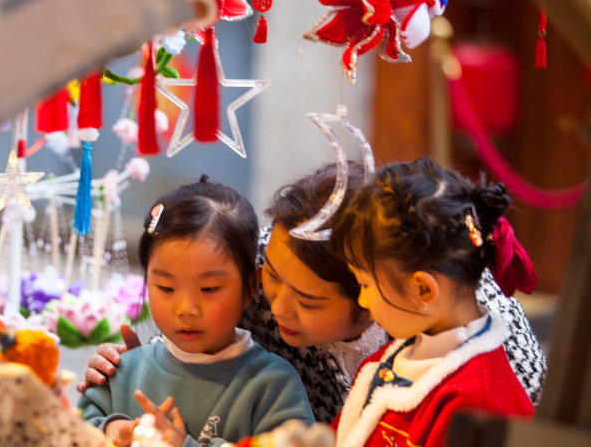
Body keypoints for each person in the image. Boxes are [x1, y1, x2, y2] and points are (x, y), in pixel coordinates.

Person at [79, 163, 546, 423]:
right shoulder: (258, 266)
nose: (274, 304)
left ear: (366, 291)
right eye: (270, 276)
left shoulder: (455, 335)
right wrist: (139, 365)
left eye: (309, 301)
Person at [78, 176, 315, 447]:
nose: (186, 309)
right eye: (166, 288)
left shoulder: (273, 385)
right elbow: (70, 429)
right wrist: (109, 431)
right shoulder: (122, 371)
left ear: (250, 286)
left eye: (209, 289)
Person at [328, 158, 534, 447]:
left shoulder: (477, 406)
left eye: (365, 284)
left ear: (423, 289)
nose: (362, 299)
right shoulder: (393, 357)